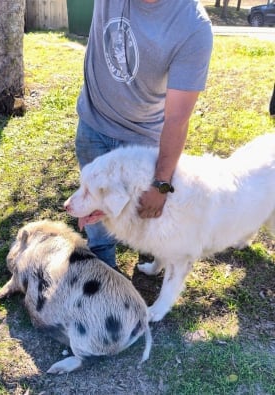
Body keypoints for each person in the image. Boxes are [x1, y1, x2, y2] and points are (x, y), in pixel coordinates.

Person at [74, 0, 213, 270]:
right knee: (97, 208)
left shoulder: (192, 26)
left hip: (143, 138)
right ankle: (104, 266)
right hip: (93, 122)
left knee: (148, 214)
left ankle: (153, 254)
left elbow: (177, 118)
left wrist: (162, 183)